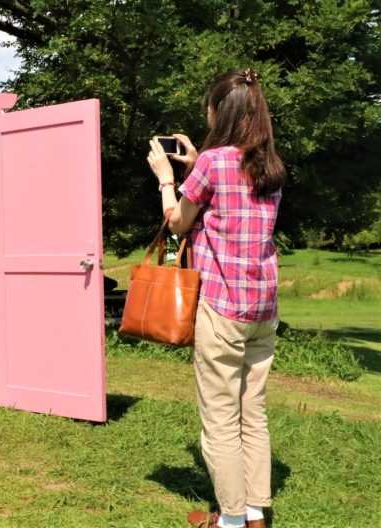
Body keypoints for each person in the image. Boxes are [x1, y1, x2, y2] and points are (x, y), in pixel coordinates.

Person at [146, 68, 286, 528]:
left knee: (221, 418)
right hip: (263, 309)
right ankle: (256, 513)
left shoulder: (213, 162)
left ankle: (228, 519)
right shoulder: (270, 165)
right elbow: (231, 194)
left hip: (222, 307)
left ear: (219, 111)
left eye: (209, 106)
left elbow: (179, 221)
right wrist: (196, 164)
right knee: (254, 411)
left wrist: (167, 178)